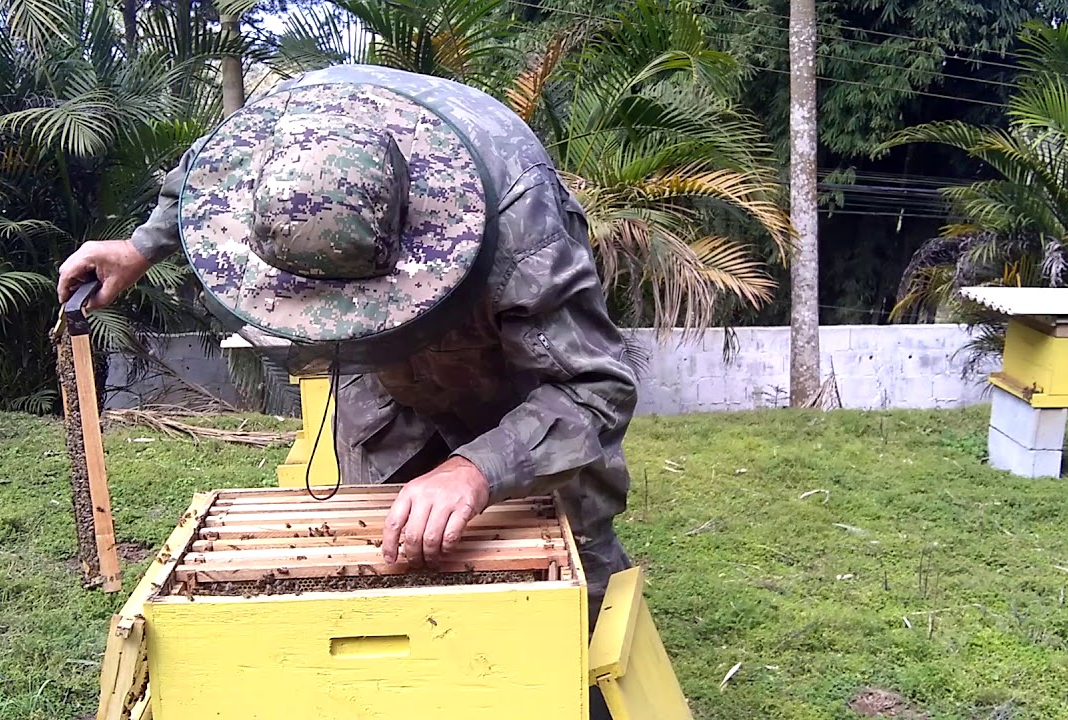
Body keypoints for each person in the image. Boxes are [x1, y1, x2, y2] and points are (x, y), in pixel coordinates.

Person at [57, 65, 636, 716]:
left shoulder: (518, 212)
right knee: (379, 550)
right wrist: (138, 247)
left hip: (509, 362)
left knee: (563, 563)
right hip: (381, 378)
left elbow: (595, 388)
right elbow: (202, 178)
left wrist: (476, 468)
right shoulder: (280, 131)